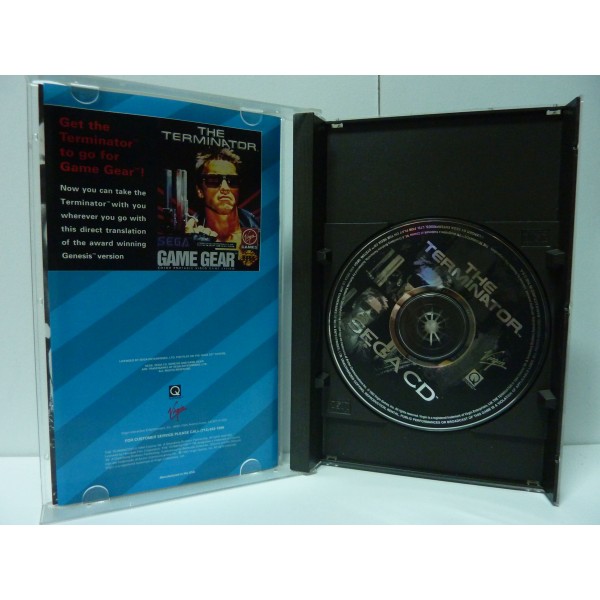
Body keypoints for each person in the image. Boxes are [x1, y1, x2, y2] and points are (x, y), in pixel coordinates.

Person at [185, 149, 259, 250]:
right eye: (213, 180)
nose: (225, 188)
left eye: (232, 181)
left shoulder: (260, 231)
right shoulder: (188, 235)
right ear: (200, 191)